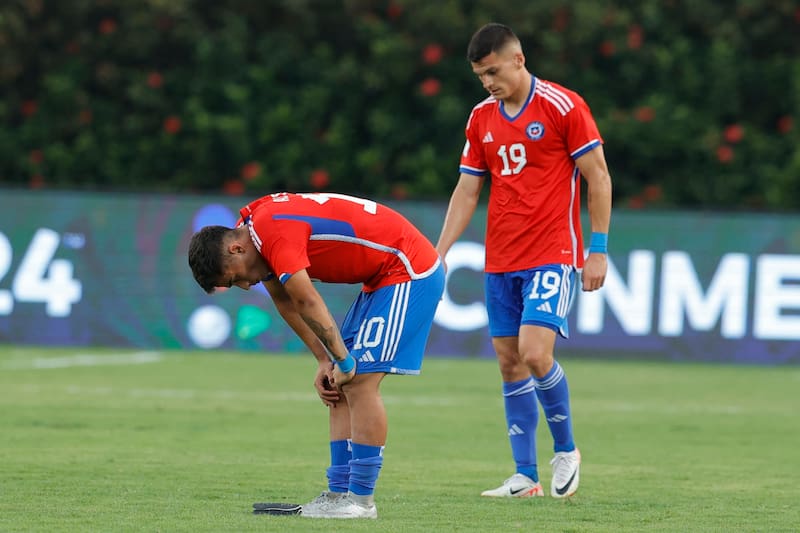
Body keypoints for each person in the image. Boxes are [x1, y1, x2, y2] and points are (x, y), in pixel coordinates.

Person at [188, 191, 445, 519]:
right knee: (336, 383)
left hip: (408, 268)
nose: (244, 286)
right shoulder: (252, 234)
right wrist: (326, 360)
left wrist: (343, 359)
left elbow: (307, 300)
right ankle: (339, 494)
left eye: (235, 277)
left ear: (235, 249)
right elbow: (285, 302)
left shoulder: (271, 233)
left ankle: (361, 501)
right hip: (380, 279)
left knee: (360, 379)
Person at [435, 23, 612, 499]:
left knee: (536, 354)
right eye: (479, 76)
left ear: (518, 59)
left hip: (552, 252)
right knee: (509, 363)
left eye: (492, 71)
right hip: (500, 258)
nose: (487, 82)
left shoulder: (562, 106)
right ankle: (524, 476)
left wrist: (599, 248)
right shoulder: (480, 118)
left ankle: (567, 450)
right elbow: (468, 188)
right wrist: (440, 252)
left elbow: (597, 176)